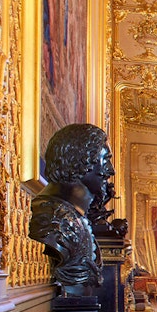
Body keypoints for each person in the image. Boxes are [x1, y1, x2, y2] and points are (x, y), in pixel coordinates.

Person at [28, 124, 113, 295]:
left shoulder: (75, 220)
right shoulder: (54, 219)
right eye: (106, 160)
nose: (111, 170)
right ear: (81, 160)